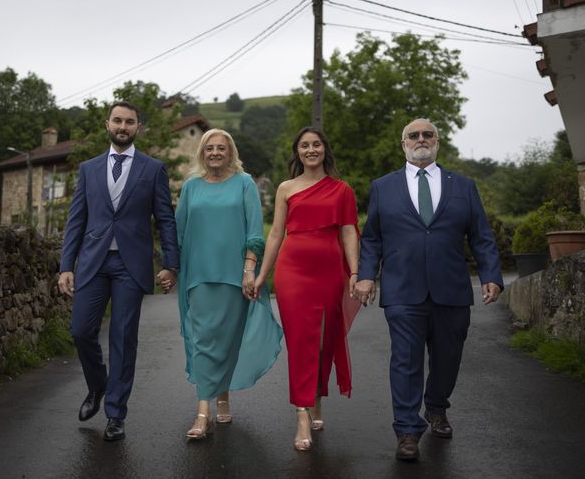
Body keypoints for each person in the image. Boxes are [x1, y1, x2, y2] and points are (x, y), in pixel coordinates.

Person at [354, 118, 503, 461]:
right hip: (402, 289)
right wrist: (365, 275)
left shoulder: (463, 186)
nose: (421, 139)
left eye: (427, 134)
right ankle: (407, 430)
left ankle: (436, 407)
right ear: (402, 143)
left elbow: (481, 235)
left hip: (451, 288)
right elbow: (373, 237)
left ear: (438, 141)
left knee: (448, 358)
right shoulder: (383, 187)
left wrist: (492, 274)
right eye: (413, 135)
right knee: (405, 359)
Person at [58, 101, 179, 442]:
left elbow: (165, 220)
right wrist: (66, 265)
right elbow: (76, 220)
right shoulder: (89, 168)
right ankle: (97, 386)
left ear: (138, 127)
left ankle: (115, 414)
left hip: (131, 264)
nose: (123, 126)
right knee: (81, 330)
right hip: (93, 262)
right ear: (107, 124)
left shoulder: (153, 169)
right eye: (117, 120)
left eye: (129, 121)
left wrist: (171, 264)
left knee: (123, 339)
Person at [253, 126, 360, 451]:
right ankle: (301, 411)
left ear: (325, 149)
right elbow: (275, 235)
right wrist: (261, 276)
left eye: (316, 144)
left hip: (328, 270)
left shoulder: (342, 190)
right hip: (292, 271)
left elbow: (348, 233)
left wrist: (355, 272)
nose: (310, 150)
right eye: (304, 145)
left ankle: (315, 397)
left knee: (324, 340)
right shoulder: (286, 188)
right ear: (297, 152)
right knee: (300, 342)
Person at [176, 128, 282, 440]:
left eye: (221, 148)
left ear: (231, 152)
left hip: (234, 276)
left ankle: (223, 395)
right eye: (209, 148)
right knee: (204, 339)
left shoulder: (244, 183)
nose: (215, 153)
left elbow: (254, 231)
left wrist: (249, 269)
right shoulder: (191, 187)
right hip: (197, 276)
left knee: (227, 339)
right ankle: (202, 411)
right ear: (202, 153)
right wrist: (170, 268)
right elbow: (178, 233)